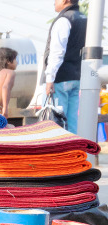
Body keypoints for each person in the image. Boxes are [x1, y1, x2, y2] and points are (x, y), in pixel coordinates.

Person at [43, 0, 87, 134]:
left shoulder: (64, 20)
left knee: (59, 122)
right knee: (72, 122)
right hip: (76, 76)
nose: (54, 2)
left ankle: (61, 153)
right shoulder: (84, 18)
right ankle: (74, 152)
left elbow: (57, 51)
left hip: (61, 79)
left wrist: (50, 78)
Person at [0, 47, 18, 117]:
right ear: (8, 61)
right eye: (15, 59)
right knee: (9, 127)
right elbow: (5, 87)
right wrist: (5, 107)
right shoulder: (10, 72)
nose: (17, 62)